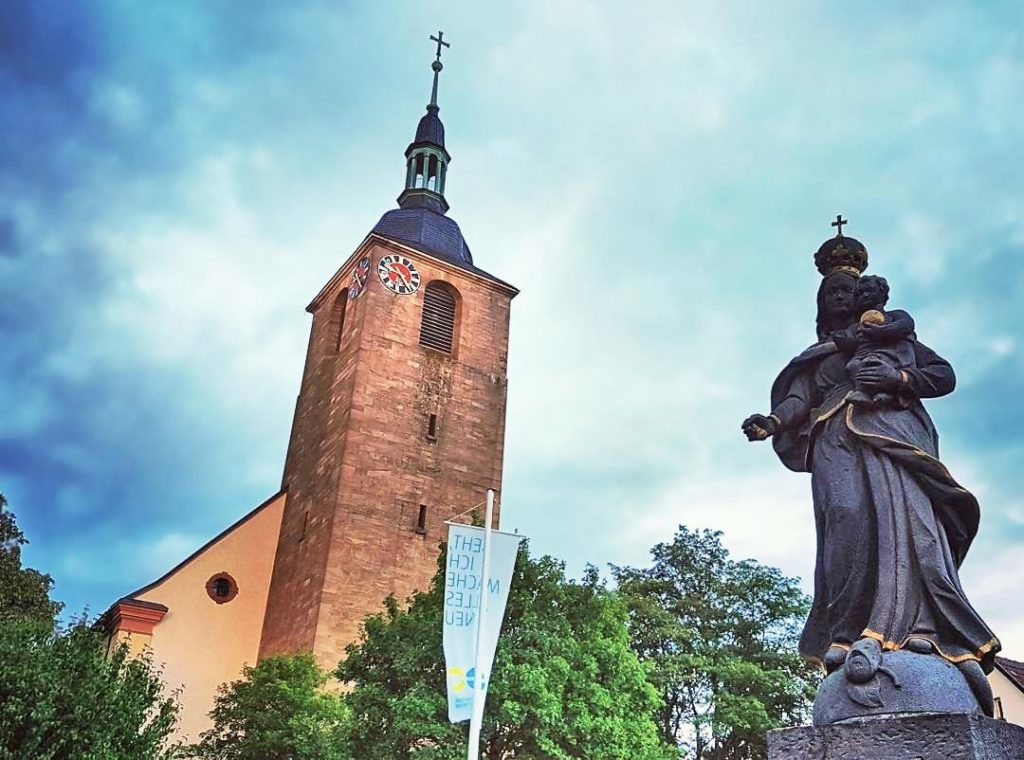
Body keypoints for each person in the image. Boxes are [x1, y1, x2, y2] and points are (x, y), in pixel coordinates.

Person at [741, 238, 998, 713]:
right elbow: (800, 400)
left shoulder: (895, 338)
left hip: (896, 435)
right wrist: (773, 422)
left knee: (911, 525)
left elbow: (942, 376)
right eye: (829, 292)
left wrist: (899, 381)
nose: (838, 297)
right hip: (835, 439)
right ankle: (846, 632)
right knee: (846, 524)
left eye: (845, 289)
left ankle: (922, 628)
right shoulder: (817, 355)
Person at [834, 275, 916, 407]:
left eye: (870, 291)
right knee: (853, 367)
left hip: (888, 357)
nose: (865, 295)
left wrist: (881, 332)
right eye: (860, 293)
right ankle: (863, 392)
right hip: (862, 356)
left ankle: (886, 393)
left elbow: (906, 324)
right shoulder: (857, 326)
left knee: (877, 366)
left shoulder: (894, 315)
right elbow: (847, 342)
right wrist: (841, 337)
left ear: (882, 293)